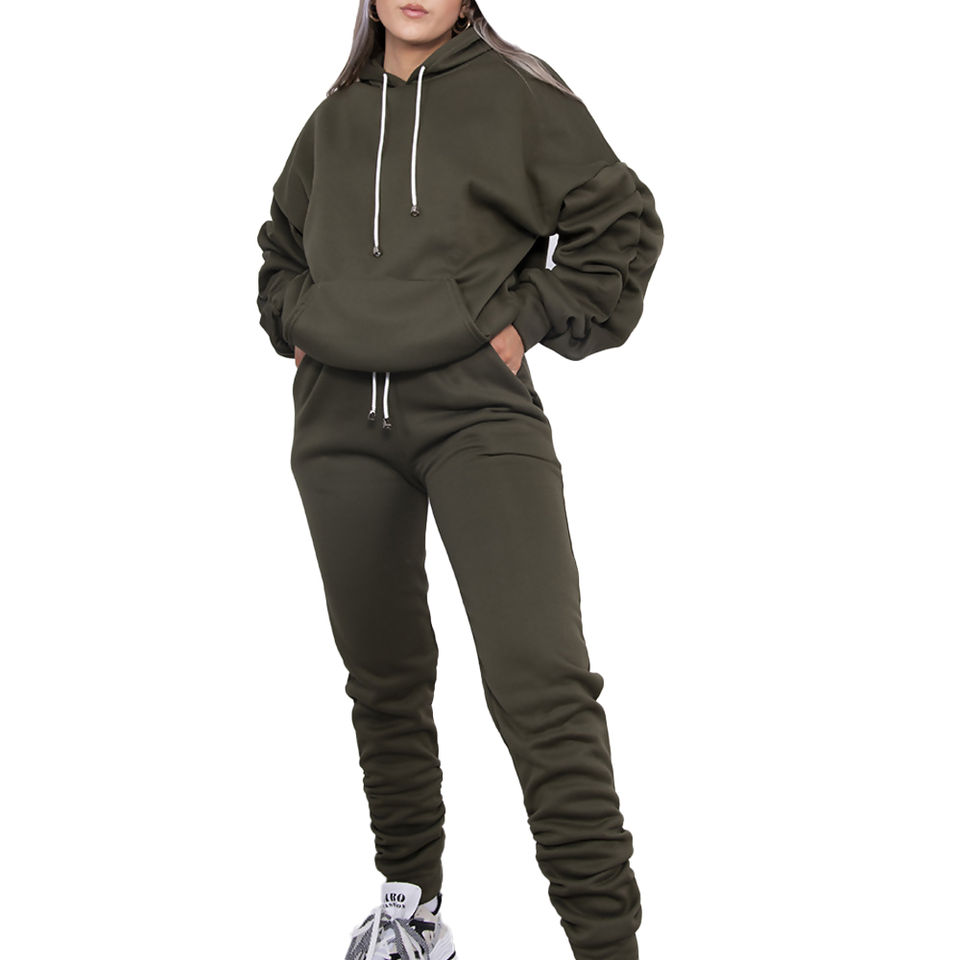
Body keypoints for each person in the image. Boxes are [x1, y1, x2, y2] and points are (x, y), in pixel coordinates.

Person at [255, 2, 664, 958]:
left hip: (477, 416)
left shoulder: (519, 95)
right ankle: (411, 911)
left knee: (540, 683)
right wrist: (300, 324)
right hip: (339, 430)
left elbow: (622, 223)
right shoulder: (335, 116)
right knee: (384, 676)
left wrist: (525, 321)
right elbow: (279, 251)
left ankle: (607, 945)